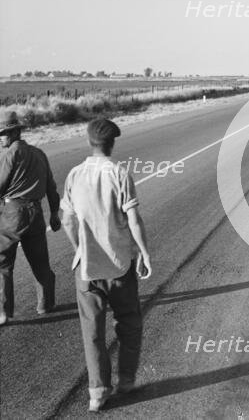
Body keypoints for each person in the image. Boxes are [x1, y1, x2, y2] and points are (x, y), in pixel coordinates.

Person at [61, 118, 153, 412]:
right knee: (129, 323)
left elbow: (67, 219)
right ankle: (125, 379)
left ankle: (97, 392)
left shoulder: (74, 175)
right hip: (119, 266)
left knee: (93, 332)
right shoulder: (119, 174)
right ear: (112, 143)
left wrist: (80, 249)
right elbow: (134, 220)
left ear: (89, 142)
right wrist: (144, 253)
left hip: (86, 270)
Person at [0, 111, 60, 326]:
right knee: (40, 261)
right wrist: (54, 212)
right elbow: (51, 187)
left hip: (12, 214)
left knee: (3, 263)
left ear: (16, 132)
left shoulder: (9, 154)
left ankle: (3, 312)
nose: (1, 138)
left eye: (4, 133)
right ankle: (46, 304)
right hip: (36, 215)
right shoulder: (39, 153)